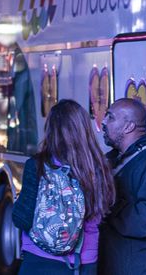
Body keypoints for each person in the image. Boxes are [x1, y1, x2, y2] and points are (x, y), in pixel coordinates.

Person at [12, 99, 115, 274]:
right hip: (83, 263)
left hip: (40, 260)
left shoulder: (38, 165)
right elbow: (102, 213)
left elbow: (22, 218)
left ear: (50, 129)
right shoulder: (100, 167)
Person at [97, 98, 146, 275]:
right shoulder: (116, 158)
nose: (104, 122)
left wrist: (108, 207)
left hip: (140, 268)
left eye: (110, 117)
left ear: (129, 127)